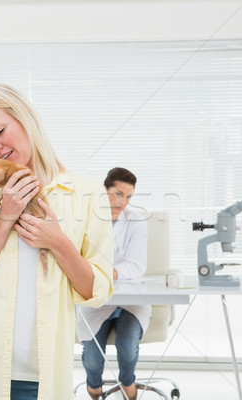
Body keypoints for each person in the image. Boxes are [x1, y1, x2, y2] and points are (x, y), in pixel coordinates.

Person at [0, 84, 114, 400]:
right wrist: (4, 218)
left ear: (26, 120)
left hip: (38, 383)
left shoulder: (87, 195)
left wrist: (58, 242)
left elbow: (96, 292)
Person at [76, 167, 150, 400]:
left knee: (127, 348)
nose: (123, 202)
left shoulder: (136, 221)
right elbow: (77, 260)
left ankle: (128, 381)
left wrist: (101, 273)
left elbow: (137, 266)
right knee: (92, 358)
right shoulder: (86, 219)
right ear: (104, 190)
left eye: (128, 197)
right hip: (96, 300)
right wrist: (103, 273)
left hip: (130, 300)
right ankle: (94, 388)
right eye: (117, 193)